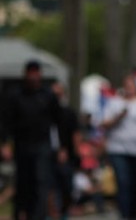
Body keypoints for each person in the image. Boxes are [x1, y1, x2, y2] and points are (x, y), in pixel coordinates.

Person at [0, 60, 62, 220]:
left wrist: (62, 147)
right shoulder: (15, 95)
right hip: (22, 145)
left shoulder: (48, 95)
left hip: (42, 145)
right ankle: (21, 213)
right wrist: (5, 142)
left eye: (36, 73)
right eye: (31, 73)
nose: (34, 76)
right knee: (23, 182)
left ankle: (38, 215)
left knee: (41, 181)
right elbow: (5, 120)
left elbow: (59, 121)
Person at [101, 74, 136, 220]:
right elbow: (103, 124)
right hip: (118, 149)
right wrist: (118, 117)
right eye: (127, 85)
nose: (129, 88)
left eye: (132, 85)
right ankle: (125, 214)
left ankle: (134, 212)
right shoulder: (114, 102)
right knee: (123, 182)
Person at [50, 82, 80, 220]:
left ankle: (64, 212)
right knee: (49, 186)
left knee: (66, 186)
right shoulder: (45, 112)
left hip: (67, 155)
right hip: (48, 154)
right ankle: (51, 213)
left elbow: (75, 134)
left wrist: (75, 151)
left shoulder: (68, 112)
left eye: (58, 94)